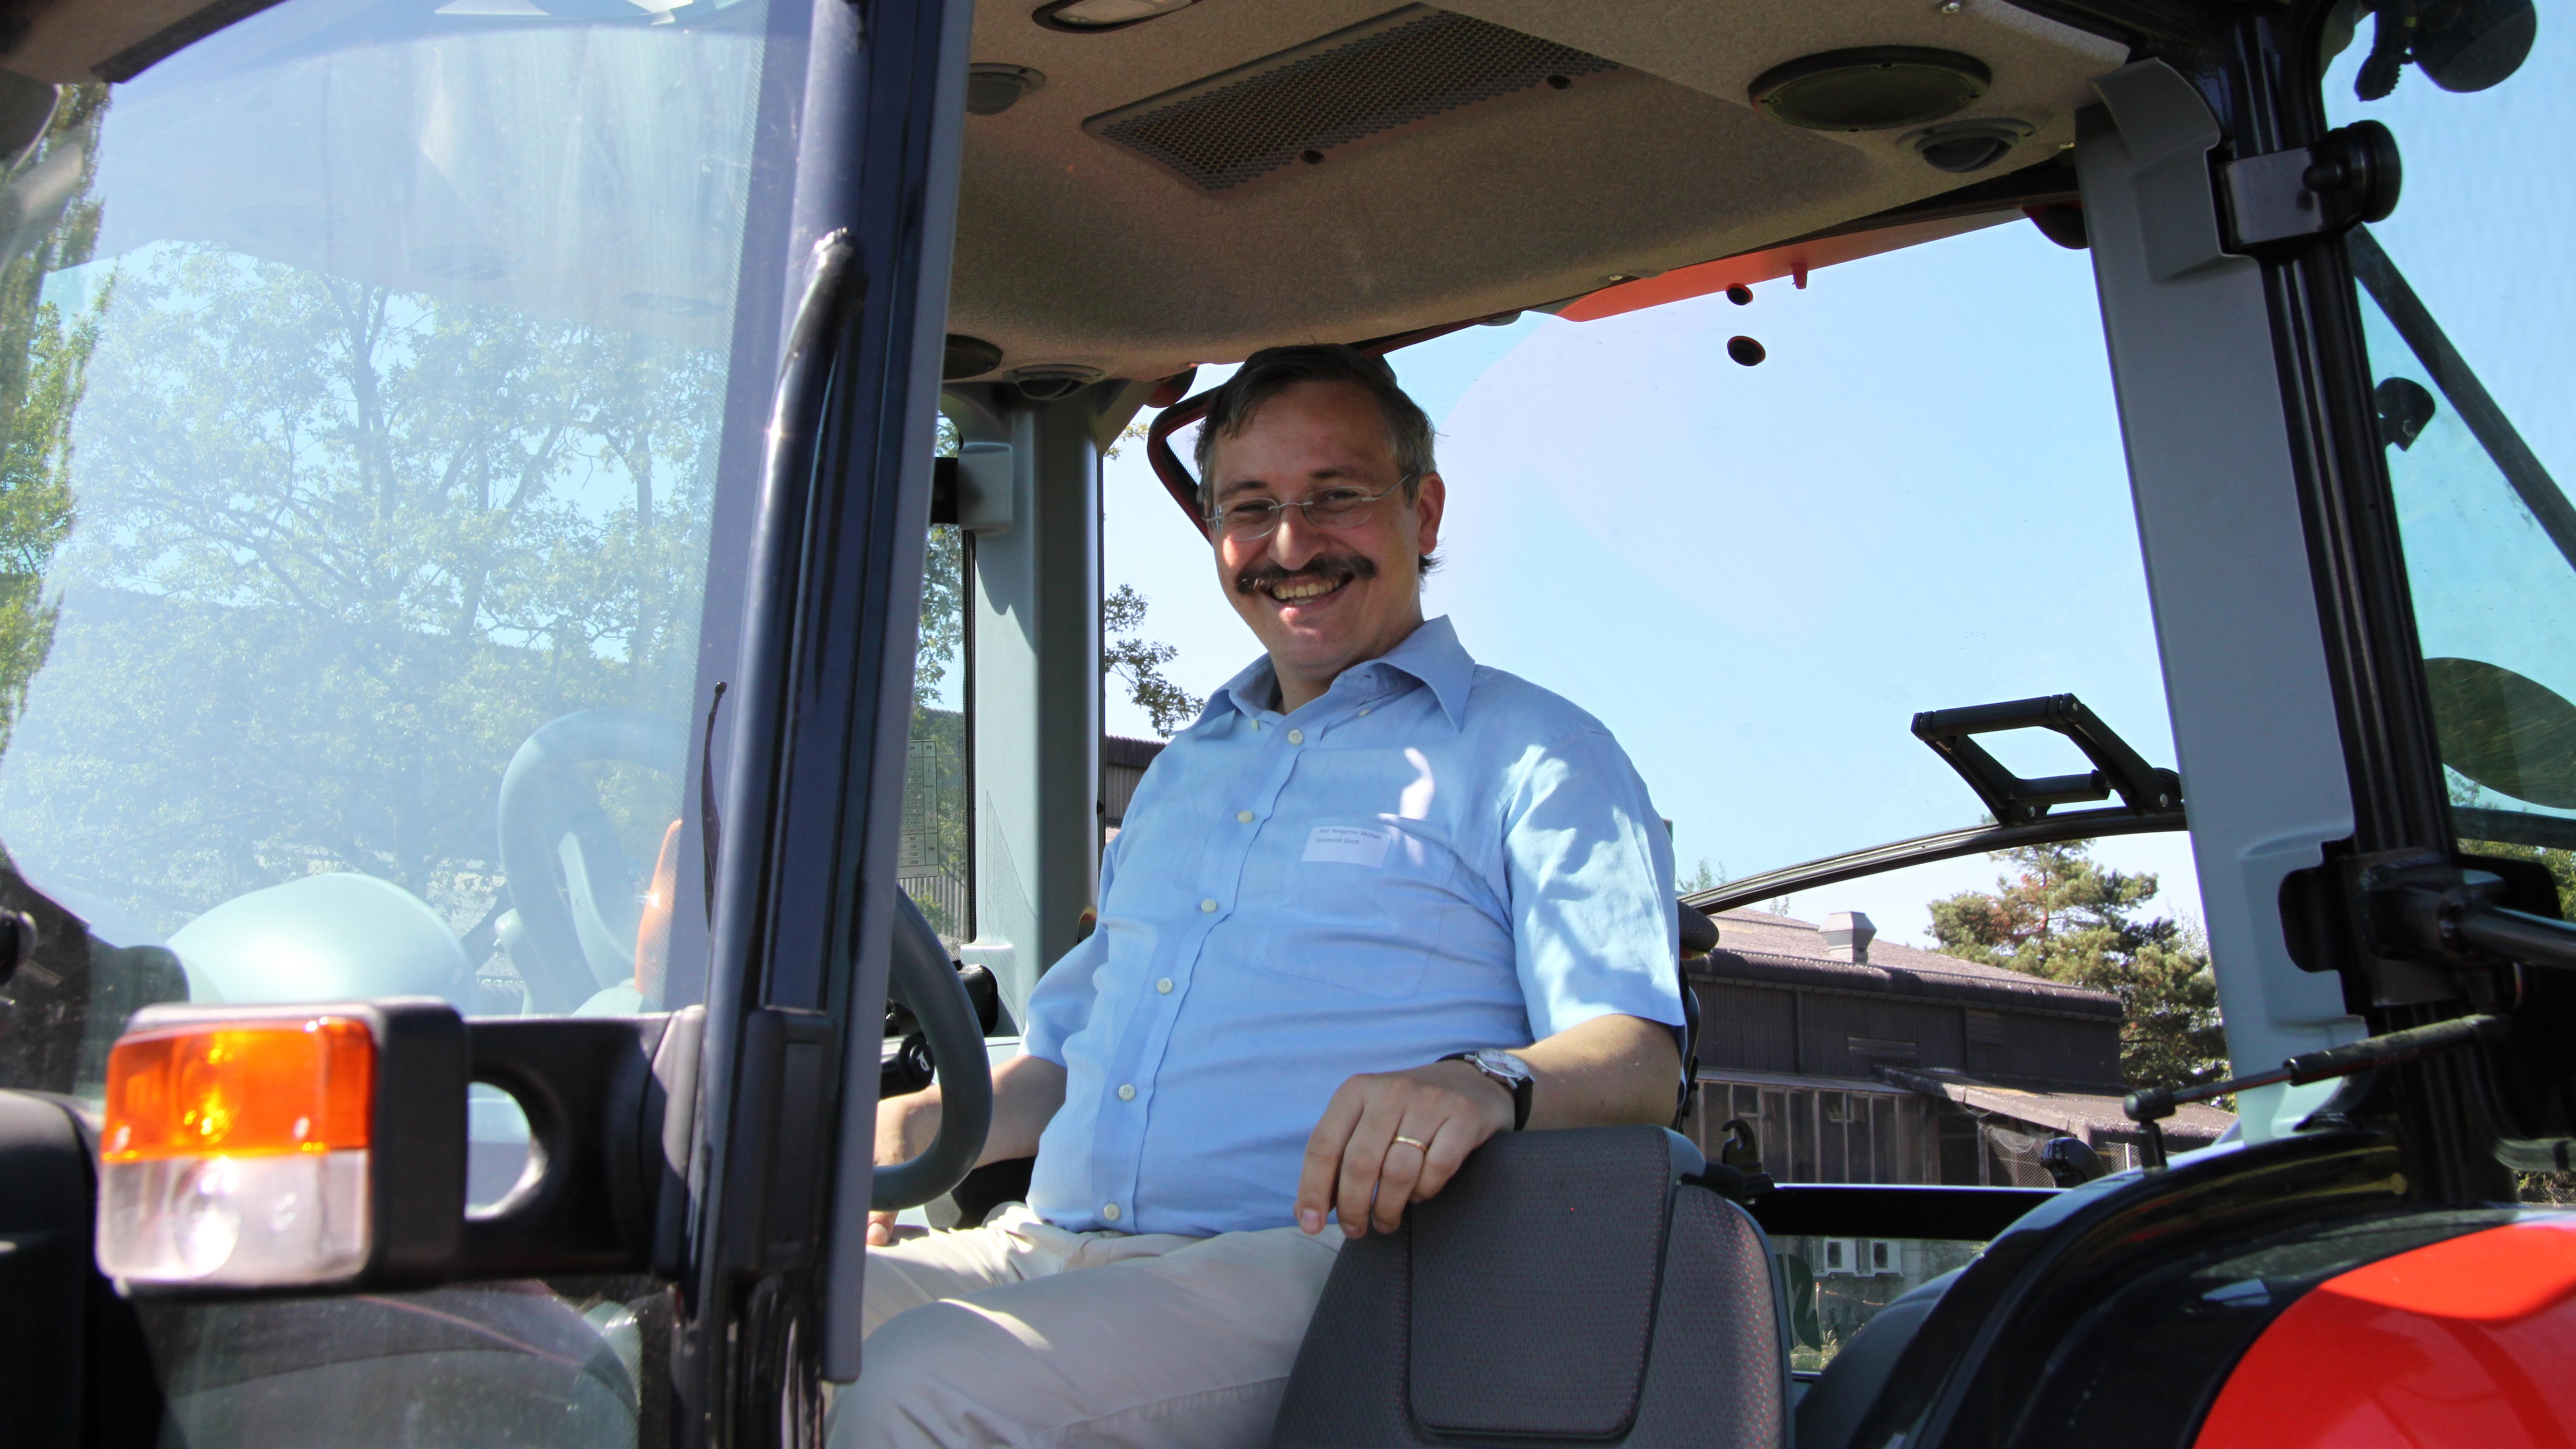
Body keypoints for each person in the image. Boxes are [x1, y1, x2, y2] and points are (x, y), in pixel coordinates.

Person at [832, 344, 1685, 1449]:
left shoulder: (1538, 753)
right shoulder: (1190, 769)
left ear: (1422, 511)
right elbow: (1068, 1064)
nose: (1291, 545)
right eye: (1251, 508)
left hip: (1326, 1268)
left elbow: (1640, 1056)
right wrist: (901, 1127)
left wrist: (1478, 1084)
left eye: (1334, 497)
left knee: (925, 1383)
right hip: (1050, 1240)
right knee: (709, 1327)